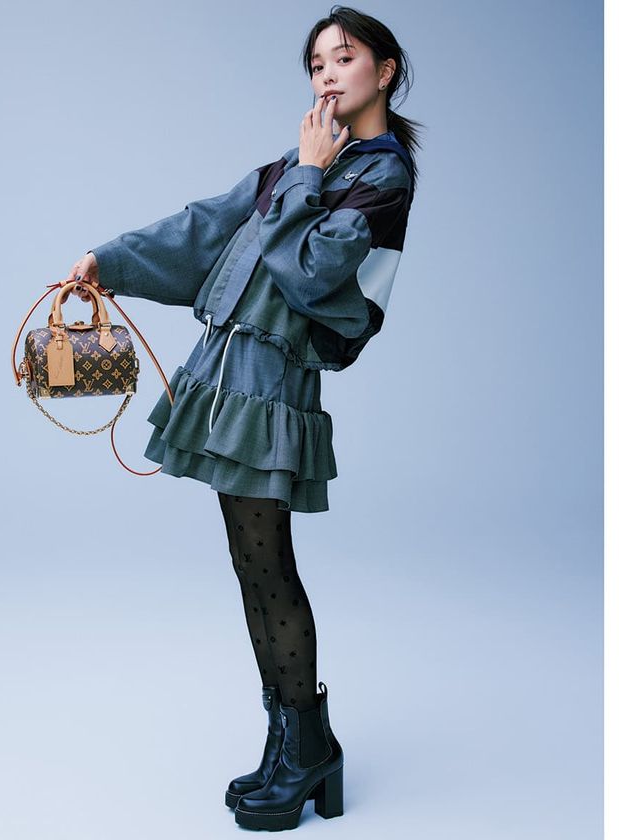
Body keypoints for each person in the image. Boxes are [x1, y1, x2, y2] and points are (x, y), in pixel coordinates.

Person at [64, 5, 422, 831]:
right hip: (230, 376)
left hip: (273, 385)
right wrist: (109, 261)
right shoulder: (299, 166)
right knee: (250, 563)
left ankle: (307, 751)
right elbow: (204, 229)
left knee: (268, 564)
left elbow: (314, 272)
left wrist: (309, 171)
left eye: (343, 58)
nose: (326, 75)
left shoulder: (382, 174)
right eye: (315, 64)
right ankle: (291, 743)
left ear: (385, 71)